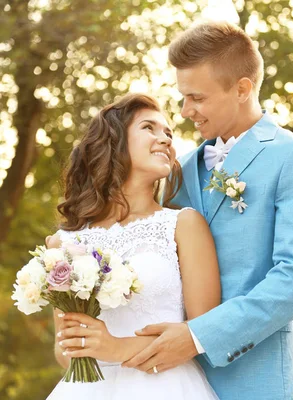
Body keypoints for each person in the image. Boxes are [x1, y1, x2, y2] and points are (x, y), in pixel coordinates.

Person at [121, 22, 293, 399]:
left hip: (259, 380)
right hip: (173, 382)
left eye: (197, 98)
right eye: (183, 97)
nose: (186, 111)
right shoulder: (179, 170)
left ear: (242, 89)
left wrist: (199, 337)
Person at [45, 93, 221, 399]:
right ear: (114, 141)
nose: (165, 139)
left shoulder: (183, 225)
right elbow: (64, 353)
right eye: (149, 128)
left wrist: (116, 348)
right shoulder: (64, 243)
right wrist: (78, 346)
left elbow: (204, 334)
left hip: (166, 386)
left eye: (168, 132)